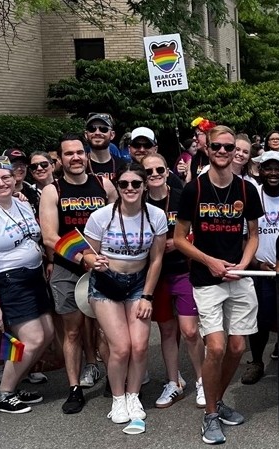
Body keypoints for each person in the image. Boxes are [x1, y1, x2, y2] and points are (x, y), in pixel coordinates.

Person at [173, 125, 262, 444]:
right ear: (207, 150)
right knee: (217, 346)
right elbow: (179, 239)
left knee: (238, 347)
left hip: (238, 277)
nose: (223, 152)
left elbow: (253, 236)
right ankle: (210, 415)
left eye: (229, 147)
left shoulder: (246, 190)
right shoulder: (193, 190)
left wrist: (244, 263)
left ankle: (218, 401)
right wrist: (208, 260)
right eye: (217, 147)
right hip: (205, 279)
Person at [82, 164, 167, 431]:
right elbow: (86, 254)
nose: (130, 188)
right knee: (120, 347)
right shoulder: (101, 216)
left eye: (136, 184)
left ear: (145, 186)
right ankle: (118, 399)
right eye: (124, 184)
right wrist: (91, 261)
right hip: (106, 283)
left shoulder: (156, 216)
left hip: (138, 285)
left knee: (140, 346)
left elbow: (156, 260)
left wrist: (147, 296)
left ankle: (133, 396)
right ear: (117, 187)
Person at [0, 157, 53, 415]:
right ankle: (4, 394)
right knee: (32, 338)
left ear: (14, 177)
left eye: (6, 177)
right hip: (7, 280)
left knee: (47, 334)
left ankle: (13, 385)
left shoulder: (21, 203)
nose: (1, 183)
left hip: (34, 276)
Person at [40, 133, 118, 415]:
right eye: (69, 153)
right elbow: (49, 236)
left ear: (86, 155)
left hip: (104, 267)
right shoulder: (53, 190)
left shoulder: (104, 184)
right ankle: (74, 388)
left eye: (79, 152)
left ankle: (114, 378)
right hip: (68, 269)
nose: (75, 157)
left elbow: (119, 221)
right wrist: (83, 256)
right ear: (59, 160)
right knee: (72, 332)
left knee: (107, 330)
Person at [142, 155, 204, 409]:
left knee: (190, 331)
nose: (155, 174)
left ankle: (202, 380)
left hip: (184, 270)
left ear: (167, 171)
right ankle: (173, 382)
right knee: (167, 331)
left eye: (160, 169)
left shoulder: (181, 195)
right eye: (149, 171)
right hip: (156, 275)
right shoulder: (139, 201)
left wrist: (179, 241)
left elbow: (199, 229)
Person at [242, 152, 279, 385]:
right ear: (260, 170)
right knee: (259, 320)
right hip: (260, 269)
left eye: (278, 169)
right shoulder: (251, 195)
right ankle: (256, 361)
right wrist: (256, 262)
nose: (274, 173)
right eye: (268, 168)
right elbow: (244, 236)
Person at [85, 113, 125, 181]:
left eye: (103, 129)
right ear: (86, 135)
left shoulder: (123, 166)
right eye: (92, 129)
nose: (97, 133)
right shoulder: (80, 165)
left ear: (112, 135)